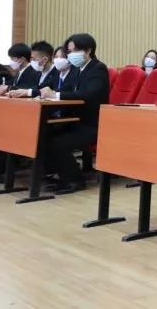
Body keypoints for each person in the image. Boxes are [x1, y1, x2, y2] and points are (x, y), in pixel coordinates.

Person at [40, 33, 110, 194]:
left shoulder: (97, 68)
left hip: (92, 124)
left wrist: (56, 95)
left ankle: (75, 180)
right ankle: (62, 176)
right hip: (76, 120)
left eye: (74, 51)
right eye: (69, 52)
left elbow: (88, 94)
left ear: (88, 50)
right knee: (45, 134)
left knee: (59, 143)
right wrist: (43, 93)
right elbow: (65, 89)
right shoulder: (78, 69)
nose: (71, 55)